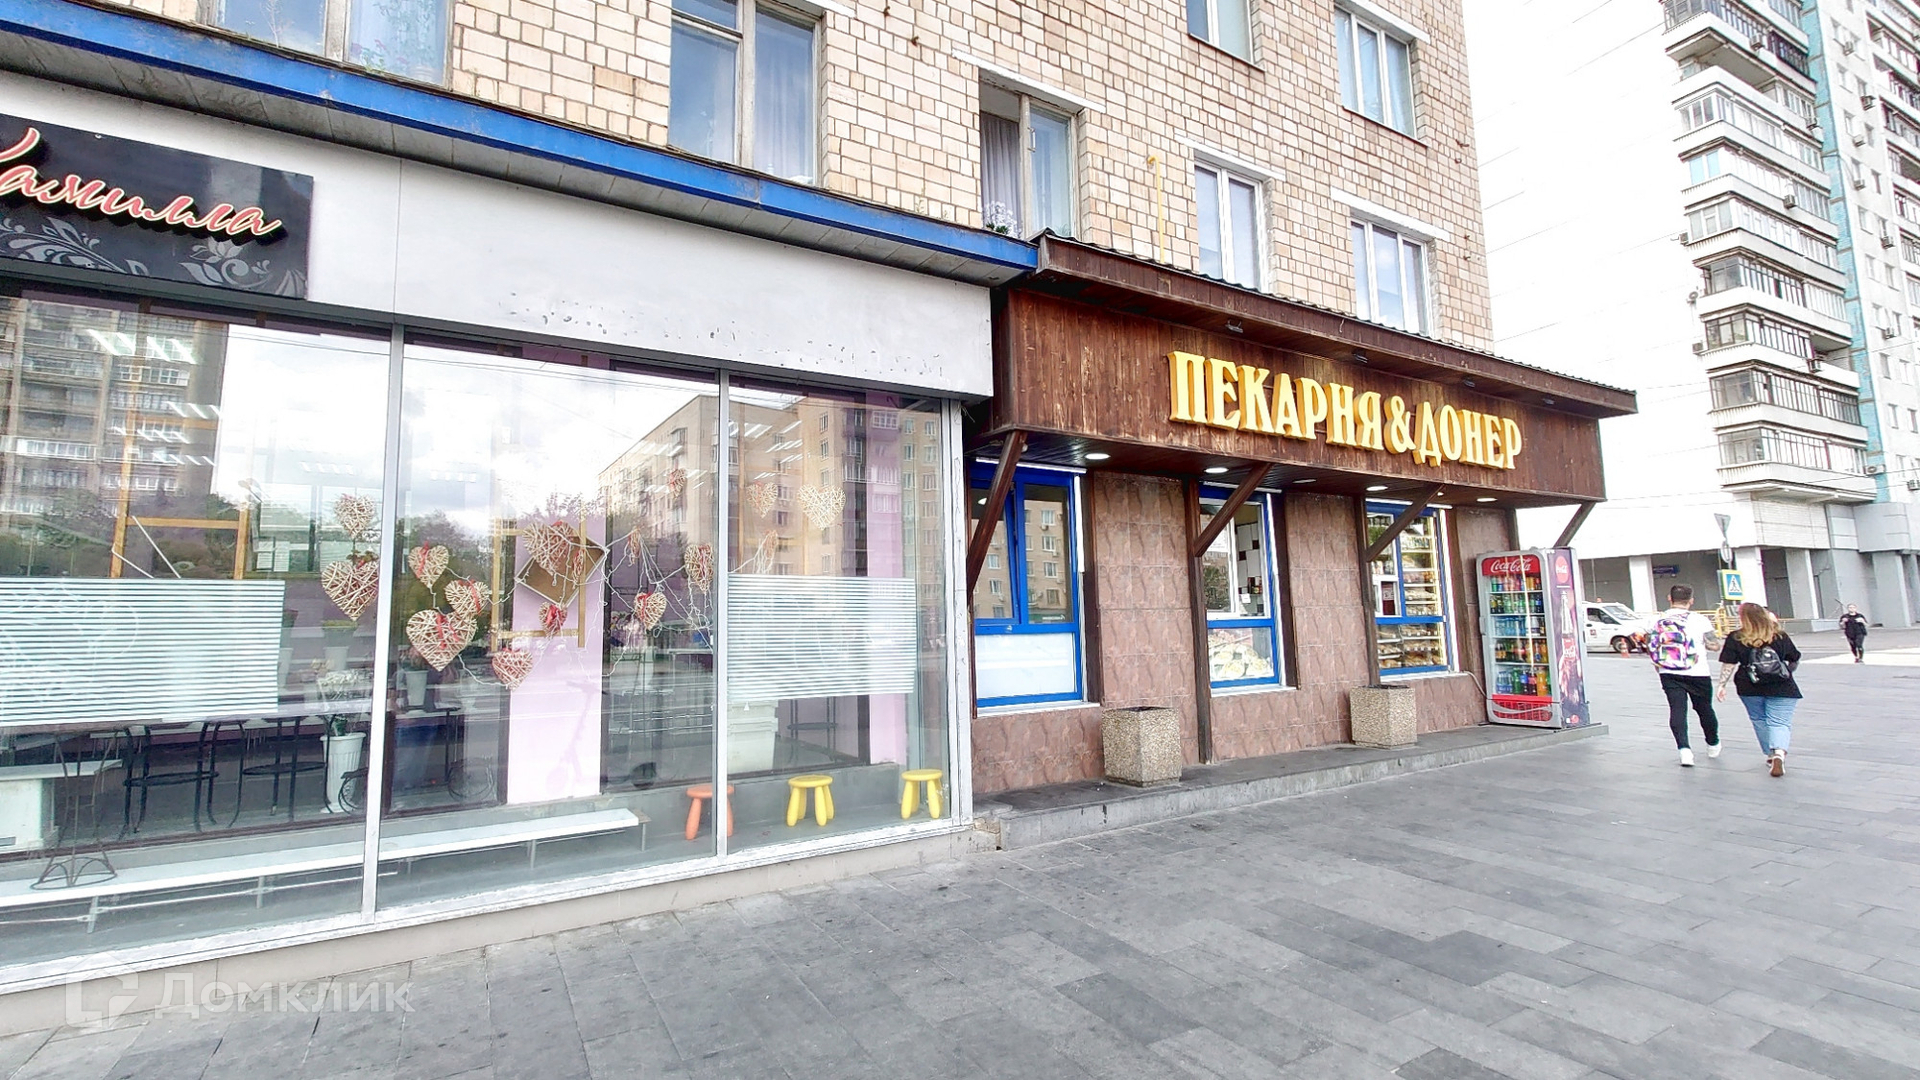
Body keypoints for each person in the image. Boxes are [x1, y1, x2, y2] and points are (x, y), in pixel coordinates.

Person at [1716, 602, 1802, 777]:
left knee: (1759, 719)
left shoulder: (1736, 637)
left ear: (1743, 618)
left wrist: (1721, 685)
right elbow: (1794, 657)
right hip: (1782, 686)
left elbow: (1729, 664)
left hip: (1749, 685)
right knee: (1780, 723)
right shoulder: (1779, 635)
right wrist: (1786, 672)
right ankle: (1779, 753)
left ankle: (1770, 754)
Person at [1647, 583, 1720, 767]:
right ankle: (1712, 743)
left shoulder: (1656, 619)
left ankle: (1684, 751)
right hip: (1698, 671)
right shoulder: (1700, 620)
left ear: (1669, 598)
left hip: (1668, 671)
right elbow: (1714, 645)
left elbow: (1651, 645)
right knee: (1704, 709)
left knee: (1677, 710)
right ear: (1691, 601)